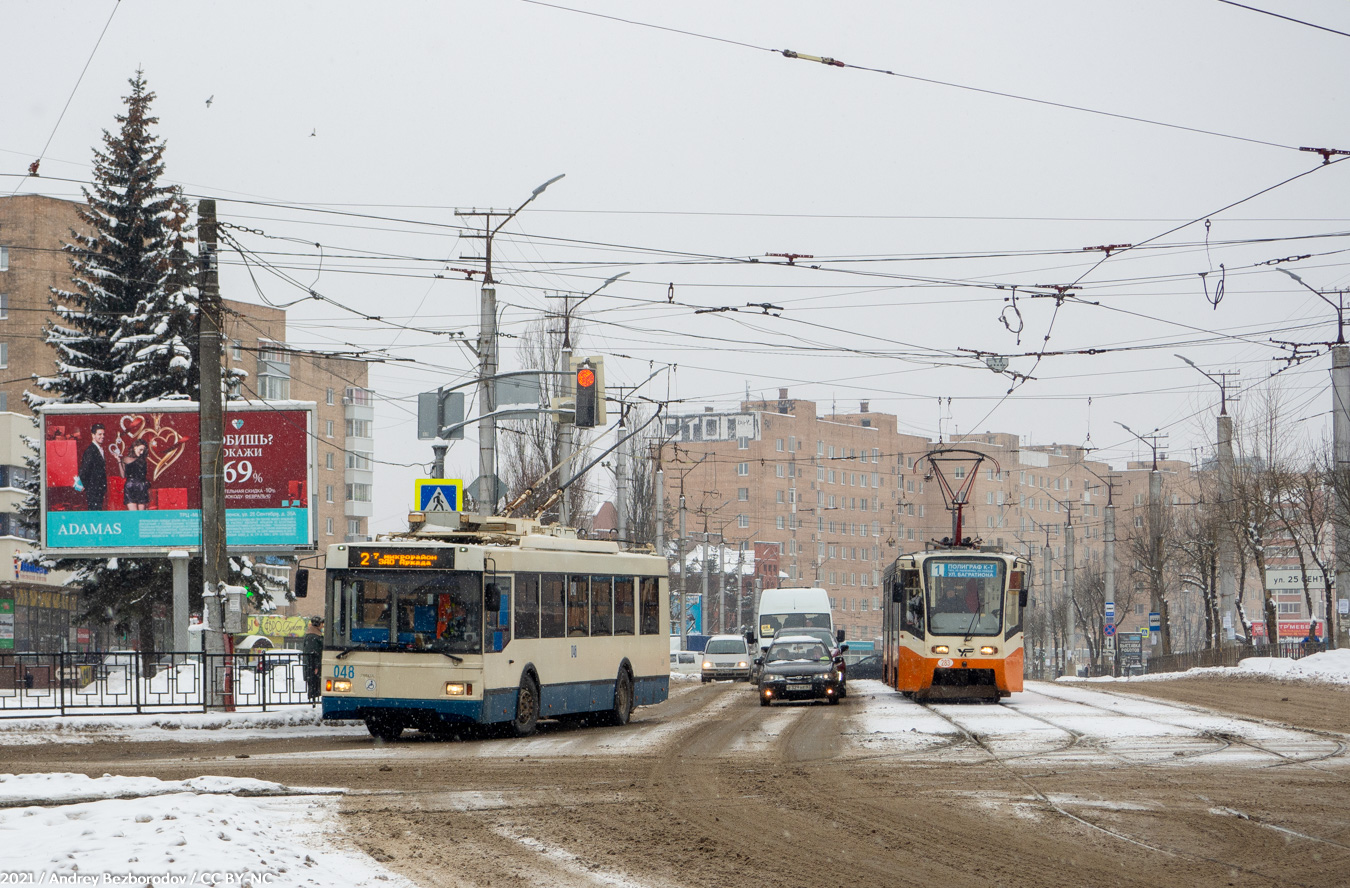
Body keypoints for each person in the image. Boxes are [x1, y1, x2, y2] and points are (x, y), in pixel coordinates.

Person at [77, 424, 109, 510]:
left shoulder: (98, 449)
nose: (102, 436)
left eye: (103, 434)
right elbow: (84, 470)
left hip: (98, 489)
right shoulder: (90, 450)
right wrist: (88, 487)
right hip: (94, 489)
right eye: (100, 434)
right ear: (93, 435)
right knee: (95, 513)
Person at [119, 438, 151, 510]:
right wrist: (118, 461)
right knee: (133, 515)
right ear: (135, 447)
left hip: (140, 486)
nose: (142, 452)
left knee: (140, 515)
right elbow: (123, 475)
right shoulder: (125, 459)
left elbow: (143, 475)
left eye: (143, 450)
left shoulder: (142, 461)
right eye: (141, 449)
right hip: (131, 487)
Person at [302, 616, 324, 703]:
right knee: (314, 686)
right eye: (321, 624)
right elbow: (314, 653)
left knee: (314, 685)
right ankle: (313, 703)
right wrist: (316, 666)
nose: (322, 626)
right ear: (318, 625)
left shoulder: (311, 635)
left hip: (311, 665)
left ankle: (314, 701)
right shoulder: (314, 637)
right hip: (313, 666)